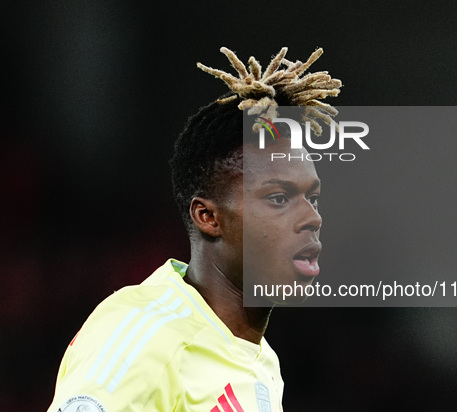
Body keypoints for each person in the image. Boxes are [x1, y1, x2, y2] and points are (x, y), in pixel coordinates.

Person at [47, 46, 341, 412]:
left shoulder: (263, 362)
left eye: (312, 198)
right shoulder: (145, 333)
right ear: (209, 217)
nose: (312, 218)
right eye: (279, 198)